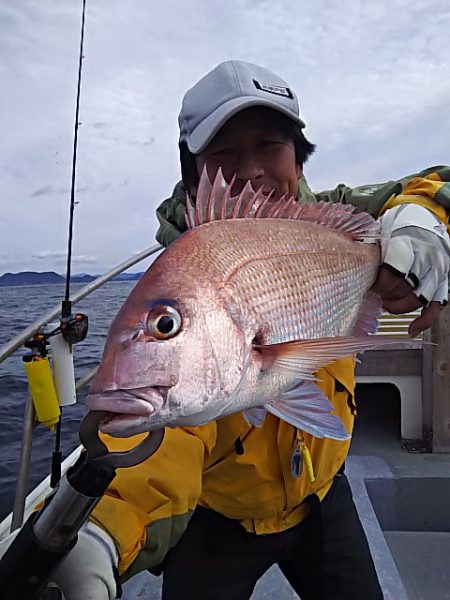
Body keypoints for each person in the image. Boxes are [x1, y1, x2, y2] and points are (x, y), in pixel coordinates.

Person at [1, 60, 450, 600]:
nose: (253, 170)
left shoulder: (345, 216)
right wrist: (99, 531)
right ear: (195, 170)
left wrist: (420, 226)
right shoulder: (186, 271)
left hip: (323, 493)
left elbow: (434, 185)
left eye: (269, 145)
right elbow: (172, 432)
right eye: (224, 153)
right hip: (219, 514)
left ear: (298, 159)